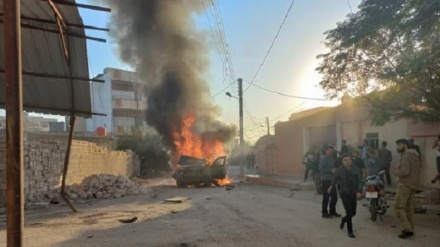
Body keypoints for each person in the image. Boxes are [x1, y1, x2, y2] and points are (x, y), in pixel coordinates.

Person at [328, 154, 362, 238]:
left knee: (353, 212)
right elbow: (335, 179)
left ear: (351, 160)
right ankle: (350, 231)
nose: (347, 161)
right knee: (349, 212)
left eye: (349, 159)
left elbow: (360, 181)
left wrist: (359, 191)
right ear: (342, 162)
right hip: (344, 193)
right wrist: (331, 186)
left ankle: (344, 219)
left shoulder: (356, 169)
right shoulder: (340, 170)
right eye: (345, 160)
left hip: (353, 193)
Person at [393, 139, 421, 239]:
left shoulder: (406, 155)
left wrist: (396, 171)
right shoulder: (416, 155)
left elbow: (405, 171)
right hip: (413, 185)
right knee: (409, 209)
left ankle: (407, 229)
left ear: (405, 145)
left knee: (398, 208)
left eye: (399, 145)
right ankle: (410, 228)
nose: (397, 148)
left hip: (404, 185)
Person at [319, 146, 340, 218]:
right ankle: (324, 213)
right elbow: (321, 170)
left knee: (334, 197)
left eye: (332, 151)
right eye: (329, 150)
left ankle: (332, 211)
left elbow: (332, 168)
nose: (331, 152)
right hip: (326, 180)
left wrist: (335, 171)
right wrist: (330, 170)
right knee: (326, 197)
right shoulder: (323, 159)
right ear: (326, 151)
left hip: (332, 181)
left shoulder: (331, 158)